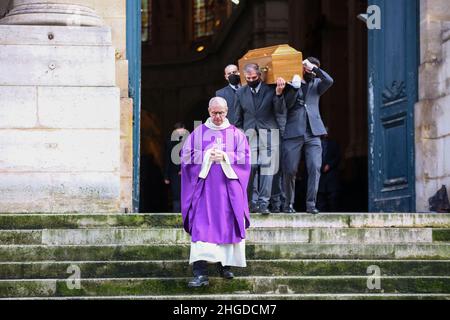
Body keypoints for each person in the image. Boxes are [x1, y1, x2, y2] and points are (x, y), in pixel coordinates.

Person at [181, 97, 251, 288]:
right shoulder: (198, 133)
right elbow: (186, 156)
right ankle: (200, 272)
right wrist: (205, 156)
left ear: (226, 111)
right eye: (214, 113)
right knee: (201, 229)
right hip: (204, 193)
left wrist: (226, 157)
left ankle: (225, 266)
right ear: (209, 111)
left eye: (221, 113)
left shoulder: (237, 135)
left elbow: (245, 158)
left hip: (227, 193)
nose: (218, 116)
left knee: (227, 227)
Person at [275, 57, 334, 214]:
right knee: (290, 169)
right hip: (293, 132)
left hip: (314, 133)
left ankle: (311, 204)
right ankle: (288, 204)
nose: (308, 70)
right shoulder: (292, 83)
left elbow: (329, 80)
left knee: (315, 167)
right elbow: (286, 105)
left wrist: (314, 68)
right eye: (306, 67)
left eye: (312, 68)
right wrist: (293, 88)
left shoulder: (317, 84)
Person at [234, 63, 284, 215]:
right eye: (248, 78)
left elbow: (279, 110)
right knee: (251, 167)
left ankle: (263, 202)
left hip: (269, 134)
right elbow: (237, 118)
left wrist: (279, 94)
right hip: (249, 135)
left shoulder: (270, 89)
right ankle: (251, 201)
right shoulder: (240, 92)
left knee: (267, 169)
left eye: (253, 77)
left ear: (259, 76)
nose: (251, 80)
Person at [164, 122, 189, 212]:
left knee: (187, 194)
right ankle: (176, 215)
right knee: (176, 194)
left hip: (187, 173)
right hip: (174, 172)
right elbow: (167, 159)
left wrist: (184, 169)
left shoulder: (189, 141)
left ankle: (186, 214)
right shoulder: (169, 142)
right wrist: (166, 176)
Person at [317, 132, 341, 212]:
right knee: (320, 198)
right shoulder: (315, 145)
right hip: (320, 175)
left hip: (331, 175)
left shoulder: (333, 144)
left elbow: (337, 157)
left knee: (333, 198)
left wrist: (330, 165)